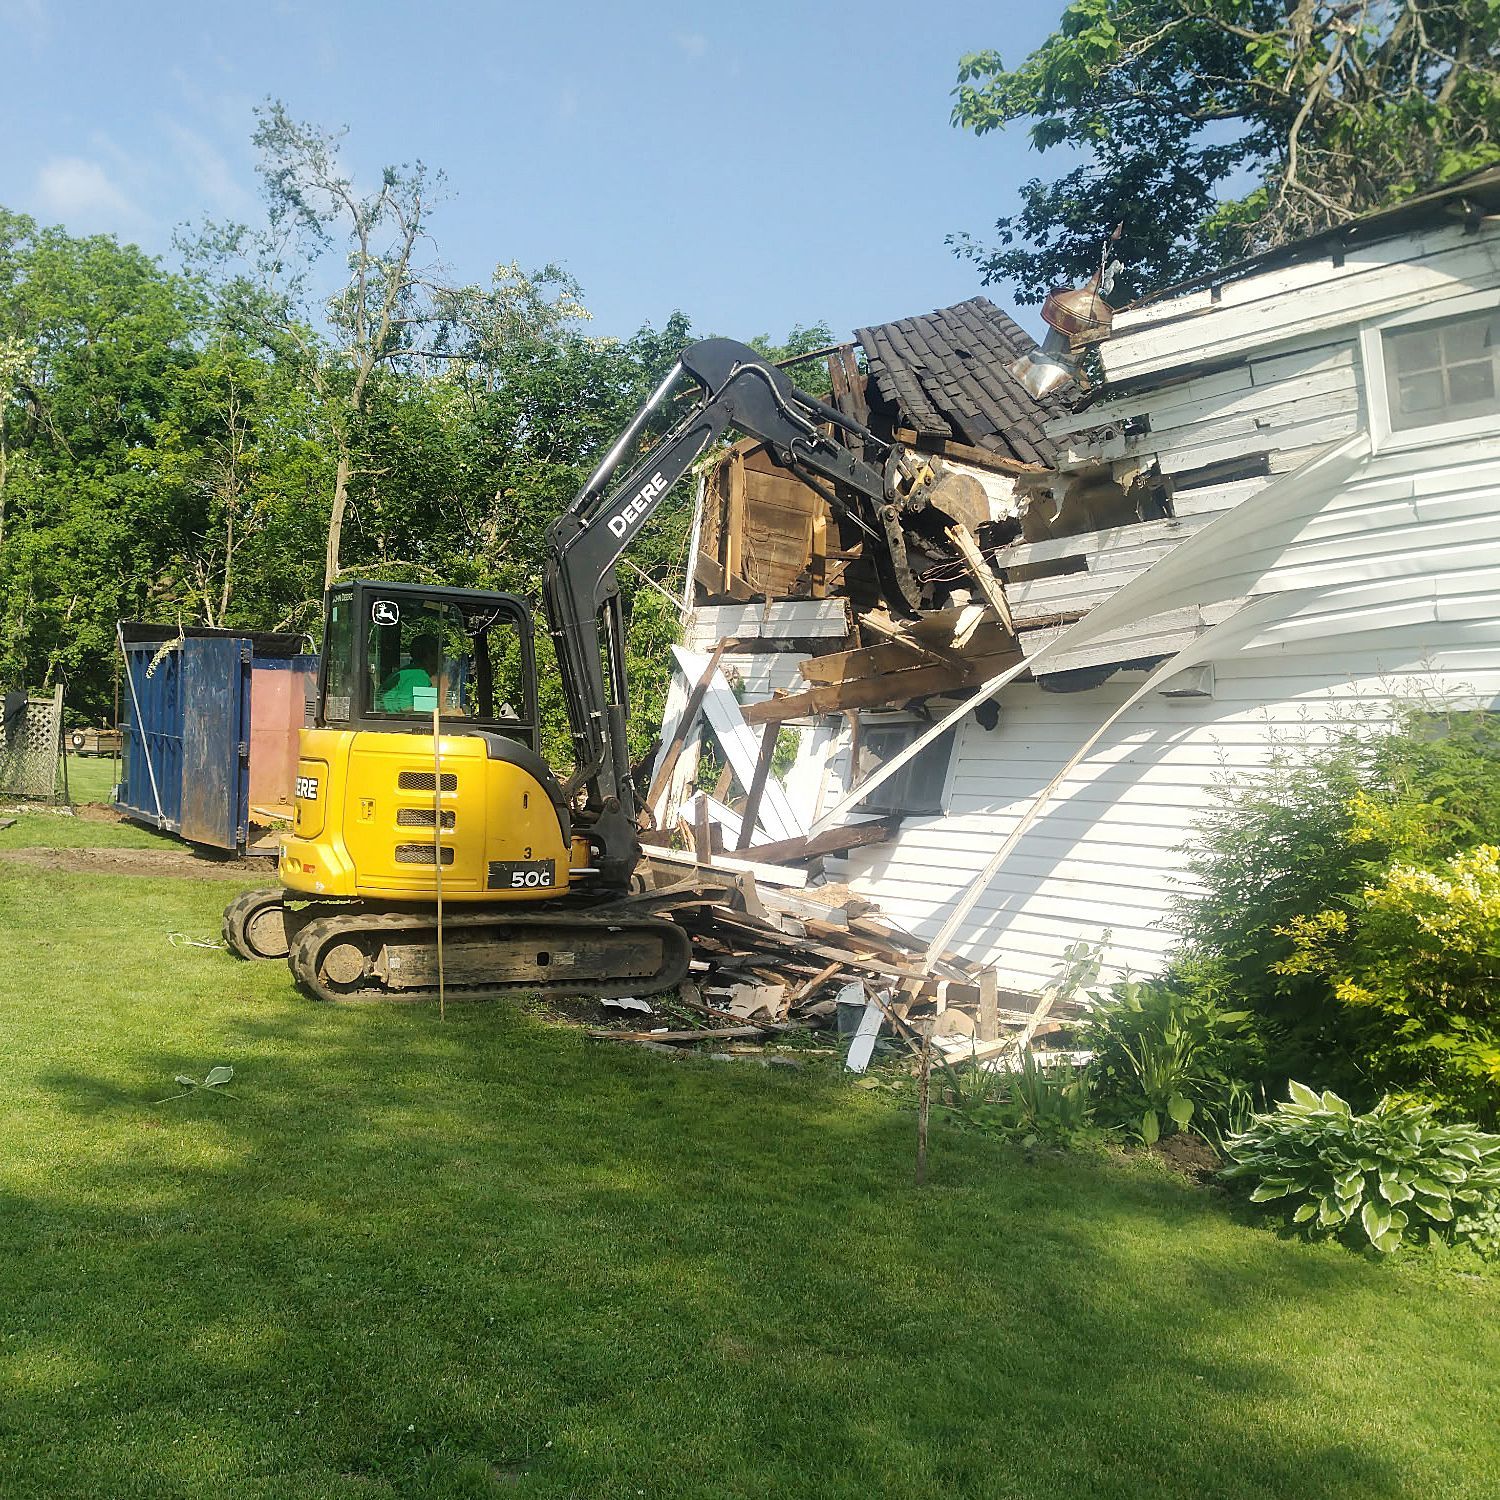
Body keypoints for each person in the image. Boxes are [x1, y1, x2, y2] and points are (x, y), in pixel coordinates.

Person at [376, 633, 442, 713]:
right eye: (439, 654)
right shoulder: (418, 675)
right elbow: (407, 708)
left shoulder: (408, 671)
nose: (442, 659)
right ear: (429, 655)